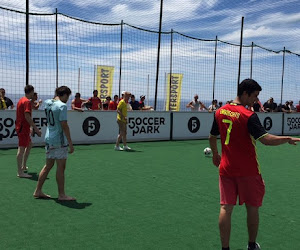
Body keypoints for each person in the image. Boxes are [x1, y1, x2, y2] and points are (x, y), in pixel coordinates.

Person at [209, 78, 300, 250]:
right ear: (245, 93)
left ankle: (225, 248)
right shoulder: (248, 115)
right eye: (254, 96)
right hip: (249, 171)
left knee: (225, 208)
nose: (256, 101)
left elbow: (212, 136)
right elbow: (266, 140)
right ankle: (251, 245)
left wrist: (215, 155)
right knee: (252, 208)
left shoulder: (220, 112)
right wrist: (287, 138)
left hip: (226, 169)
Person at [33, 86, 75, 201]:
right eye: (68, 96)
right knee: (61, 167)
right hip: (59, 140)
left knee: (48, 165)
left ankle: (38, 190)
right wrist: (70, 143)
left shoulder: (47, 103)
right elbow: (64, 125)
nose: (68, 99)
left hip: (49, 138)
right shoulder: (62, 106)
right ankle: (62, 195)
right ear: (65, 95)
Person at [15, 85, 42, 178]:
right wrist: (36, 128)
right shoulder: (26, 101)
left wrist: (30, 127)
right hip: (23, 127)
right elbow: (27, 116)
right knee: (21, 149)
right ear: (31, 92)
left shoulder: (21, 100)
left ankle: (23, 166)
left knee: (29, 145)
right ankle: (20, 172)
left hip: (22, 127)